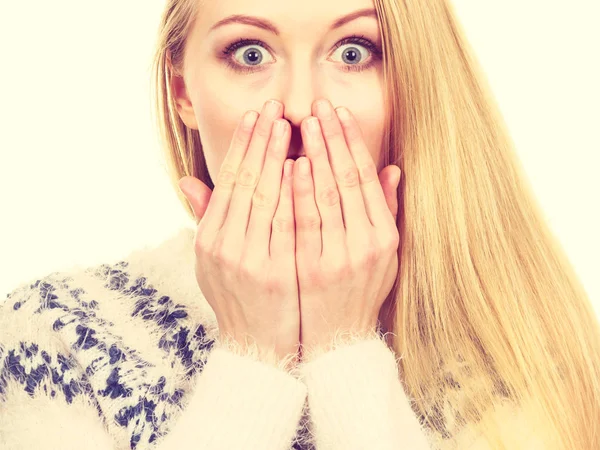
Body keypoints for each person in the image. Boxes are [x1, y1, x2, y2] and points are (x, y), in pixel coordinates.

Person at [1, 0, 599, 449]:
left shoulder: (519, 351)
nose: (297, 106)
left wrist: (346, 350)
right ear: (184, 93)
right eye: (250, 54)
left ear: (411, 82)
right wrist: (251, 353)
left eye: (353, 52)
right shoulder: (53, 335)